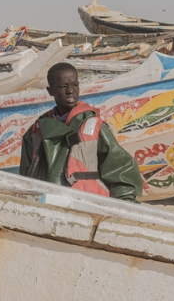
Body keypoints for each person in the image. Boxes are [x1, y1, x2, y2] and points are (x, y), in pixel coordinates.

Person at [19, 62, 143, 202]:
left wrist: (125, 202)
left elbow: (121, 168)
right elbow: (25, 174)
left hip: (90, 203)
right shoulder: (36, 131)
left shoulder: (94, 127)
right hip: (48, 204)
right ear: (50, 91)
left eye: (75, 85)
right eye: (63, 87)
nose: (70, 91)